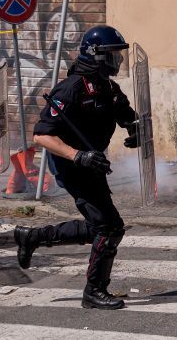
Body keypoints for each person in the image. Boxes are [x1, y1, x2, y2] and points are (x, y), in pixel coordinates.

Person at [13, 25, 139, 310]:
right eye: (112, 55)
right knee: (110, 227)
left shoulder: (108, 87)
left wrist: (136, 131)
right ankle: (93, 291)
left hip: (93, 165)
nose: (117, 61)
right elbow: (42, 135)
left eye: (118, 55)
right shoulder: (71, 89)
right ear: (95, 56)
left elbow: (127, 116)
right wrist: (77, 155)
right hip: (73, 166)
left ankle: (31, 237)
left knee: (99, 226)